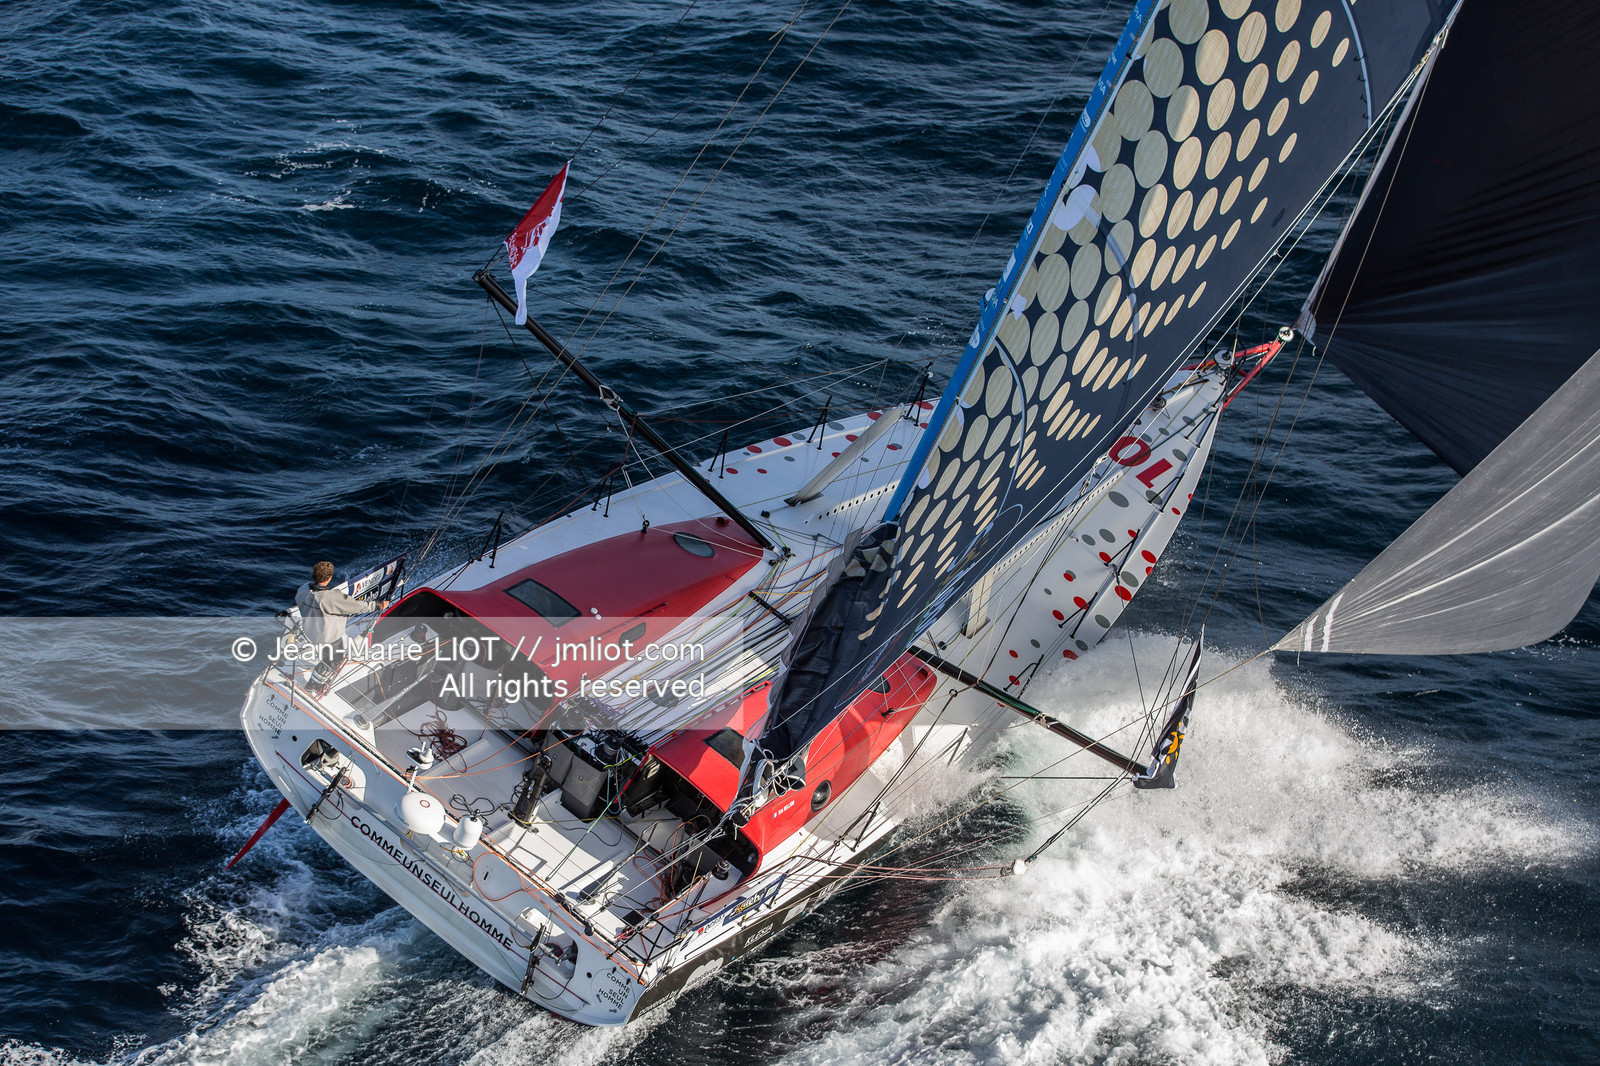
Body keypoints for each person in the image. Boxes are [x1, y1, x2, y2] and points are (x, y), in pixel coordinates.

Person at [295, 560, 391, 653]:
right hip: (329, 639)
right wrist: (377, 605)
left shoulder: (303, 589)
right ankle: (323, 669)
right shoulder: (331, 597)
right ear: (329, 578)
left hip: (310, 633)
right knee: (334, 661)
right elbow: (355, 606)